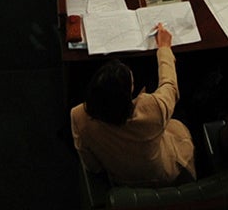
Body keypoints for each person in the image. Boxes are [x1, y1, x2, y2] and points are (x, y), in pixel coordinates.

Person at [70, 26, 194, 188]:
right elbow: (170, 85)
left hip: (121, 181)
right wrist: (164, 48)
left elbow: (92, 166)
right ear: (129, 96)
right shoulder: (151, 109)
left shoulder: (78, 116)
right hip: (163, 176)